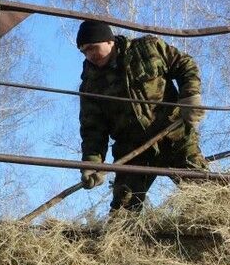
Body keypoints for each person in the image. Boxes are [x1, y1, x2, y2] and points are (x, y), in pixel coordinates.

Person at [76, 19, 208, 211]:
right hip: (131, 150)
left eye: (93, 47)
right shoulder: (89, 85)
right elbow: (92, 130)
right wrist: (92, 164)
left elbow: (184, 64)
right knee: (124, 211)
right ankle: (121, 239)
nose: (90, 55)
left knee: (203, 195)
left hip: (174, 136)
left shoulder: (148, 48)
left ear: (109, 41)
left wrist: (190, 96)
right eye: (84, 51)